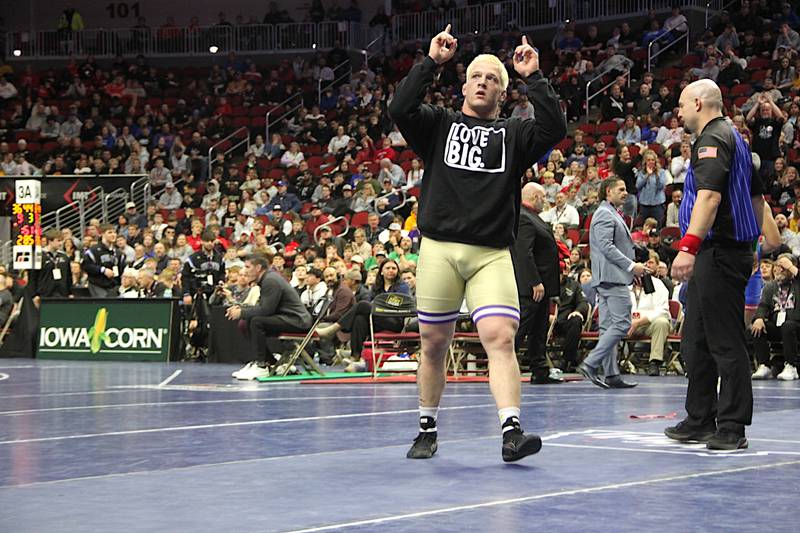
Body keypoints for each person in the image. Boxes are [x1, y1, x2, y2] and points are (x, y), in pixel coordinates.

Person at [388, 25, 566, 462]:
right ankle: (427, 428)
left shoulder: (515, 135)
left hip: (490, 253)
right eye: (476, 76)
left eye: (493, 78)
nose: (483, 81)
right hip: (439, 249)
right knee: (433, 342)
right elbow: (400, 107)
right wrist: (431, 62)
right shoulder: (438, 125)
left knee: (500, 337)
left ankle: (511, 432)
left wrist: (534, 77)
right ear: (464, 85)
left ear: (503, 94)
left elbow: (554, 127)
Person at [665, 79, 764, 451]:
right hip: (726, 250)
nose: (679, 112)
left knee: (725, 341)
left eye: (681, 104)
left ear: (697, 102)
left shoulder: (711, 139)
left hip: (718, 250)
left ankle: (732, 425)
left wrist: (688, 246)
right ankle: (700, 418)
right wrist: (754, 242)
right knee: (697, 340)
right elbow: (756, 195)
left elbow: (708, 196)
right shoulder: (736, 138)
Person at [579, 178, 648, 389]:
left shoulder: (610, 212)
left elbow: (610, 243)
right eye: (621, 189)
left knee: (608, 327)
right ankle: (591, 363)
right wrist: (631, 266)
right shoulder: (603, 214)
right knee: (622, 324)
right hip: (612, 277)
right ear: (608, 192)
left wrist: (633, 246)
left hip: (609, 277)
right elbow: (606, 247)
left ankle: (611, 374)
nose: (625, 193)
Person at [227, 255, 312, 379]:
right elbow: (262, 307)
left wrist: (241, 313)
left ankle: (261, 366)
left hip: (297, 321)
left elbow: (267, 310)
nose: (244, 271)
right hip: (287, 318)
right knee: (245, 323)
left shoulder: (270, 280)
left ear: (258, 268)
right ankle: (270, 363)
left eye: (247, 267)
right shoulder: (266, 279)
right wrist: (241, 309)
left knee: (256, 321)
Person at [511, 183, 562, 384]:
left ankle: (539, 369)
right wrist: (534, 281)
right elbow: (524, 253)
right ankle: (503, 365)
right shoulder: (523, 217)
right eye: (543, 197)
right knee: (522, 327)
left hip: (542, 286)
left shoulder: (532, 217)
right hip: (532, 286)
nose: (545, 201)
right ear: (534, 197)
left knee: (539, 330)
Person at [750, 254, 800, 381]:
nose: (779, 270)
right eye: (777, 266)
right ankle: (764, 365)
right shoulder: (770, 286)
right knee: (757, 326)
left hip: (796, 326)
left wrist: (791, 267)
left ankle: (791, 366)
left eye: (783, 267)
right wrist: (759, 318)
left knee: (788, 326)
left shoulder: (797, 283)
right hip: (778, 326)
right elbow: (763, 305)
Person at [82, 224, 126, 298]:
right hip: (97, 285)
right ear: (102, 234)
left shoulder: (119, 253)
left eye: (114, 233)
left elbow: (121, 270)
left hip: (114, 286)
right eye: (110, 232)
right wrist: (102, 270)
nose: (113, 235)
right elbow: (86, 265)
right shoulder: (93, 250)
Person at [30, 228, 72, 301]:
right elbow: (33, 277)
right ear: (50, 241)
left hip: (62, 294)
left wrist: (70, 292)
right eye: (58, 241)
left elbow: (68, 276)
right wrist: (34, 294)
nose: (61, 243)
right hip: (44, 294)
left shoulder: (64, 256)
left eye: (62, 241)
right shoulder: (39, 256)